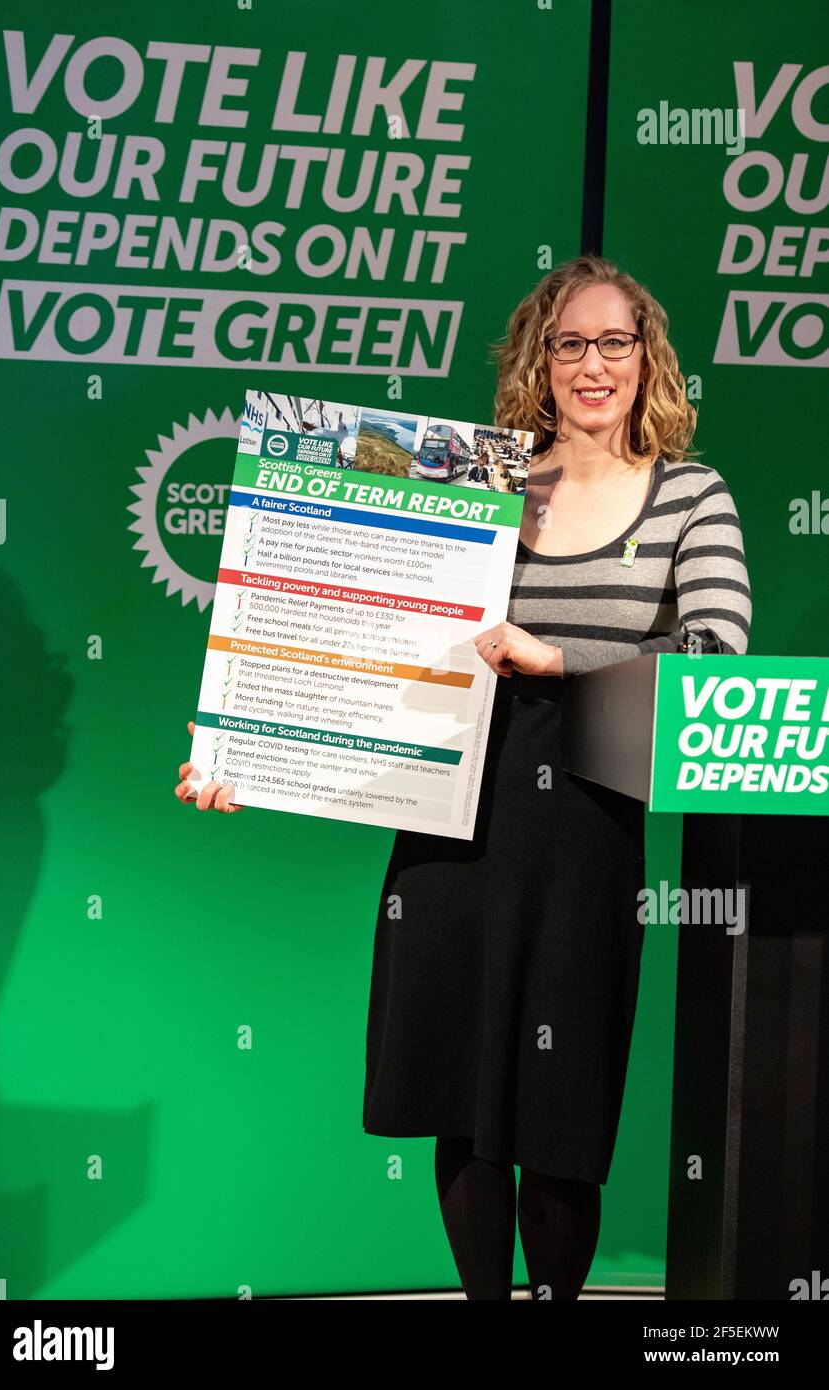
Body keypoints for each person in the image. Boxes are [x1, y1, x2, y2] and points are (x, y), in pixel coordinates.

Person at [174, 253, 752, 1300]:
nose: (590, 363)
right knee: (466, 1099)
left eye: (612, 341)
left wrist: (557, 659)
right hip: (452, 816)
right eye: (567, 342)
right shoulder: (464, 484)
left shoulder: (687, 494)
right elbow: (349, 633)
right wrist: (248, 746)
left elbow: (718, 656)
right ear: (538, 357)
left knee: (559, 1110)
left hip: (585, 827)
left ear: (645, 356)